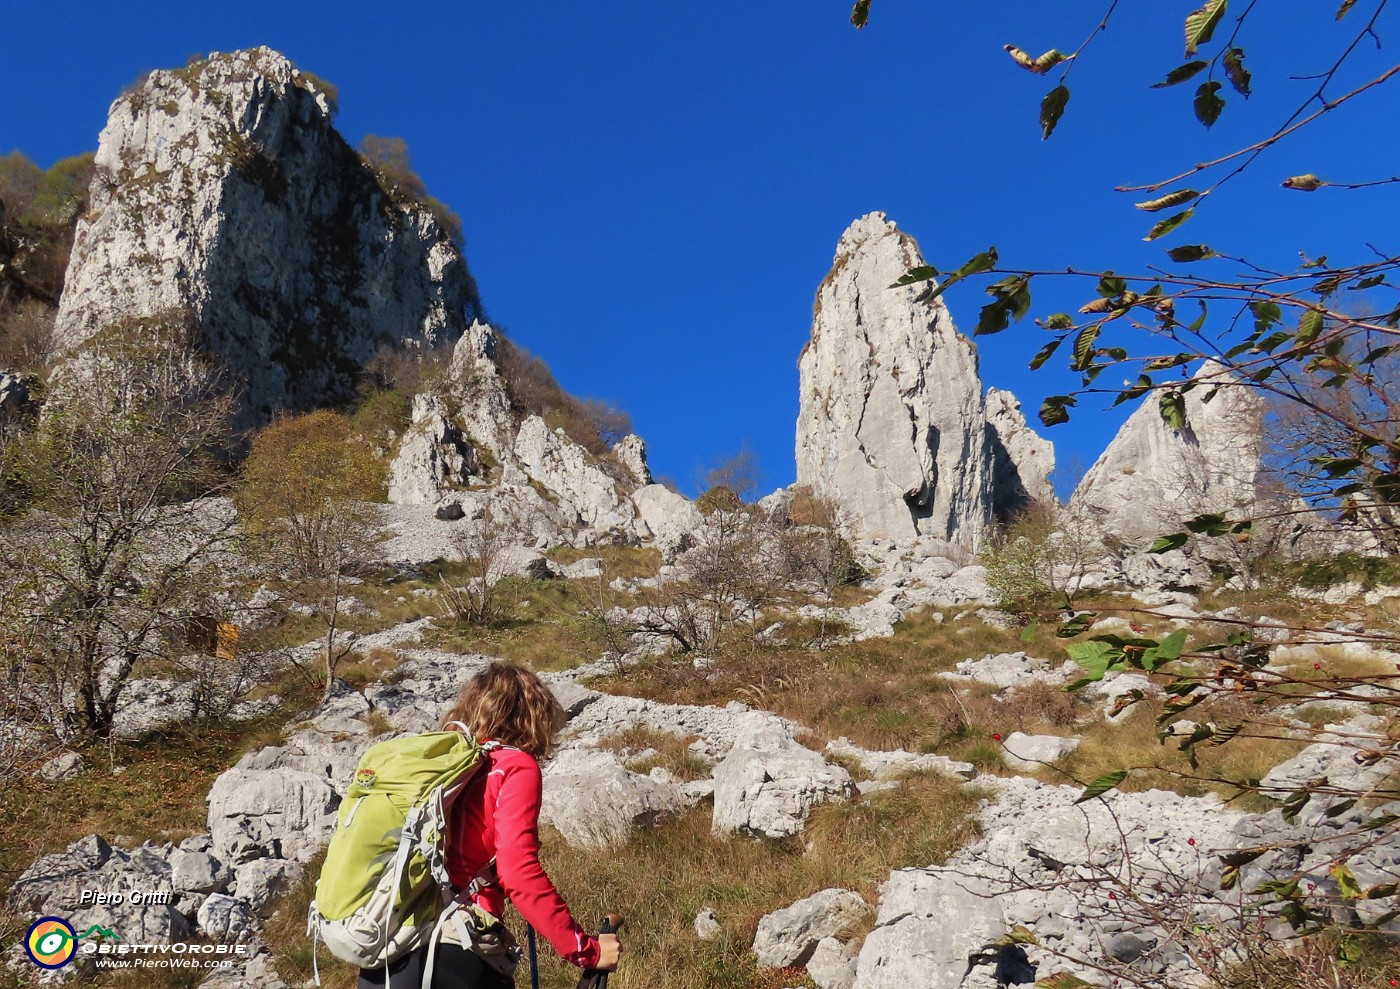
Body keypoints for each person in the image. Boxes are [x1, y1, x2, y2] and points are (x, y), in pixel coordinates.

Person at [359, 662, 623, 989]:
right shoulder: (513, 767)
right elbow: (519, 872)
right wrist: (585, 950)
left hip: (388, 951)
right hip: (455, 956)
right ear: (533, 715)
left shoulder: (444, 768)